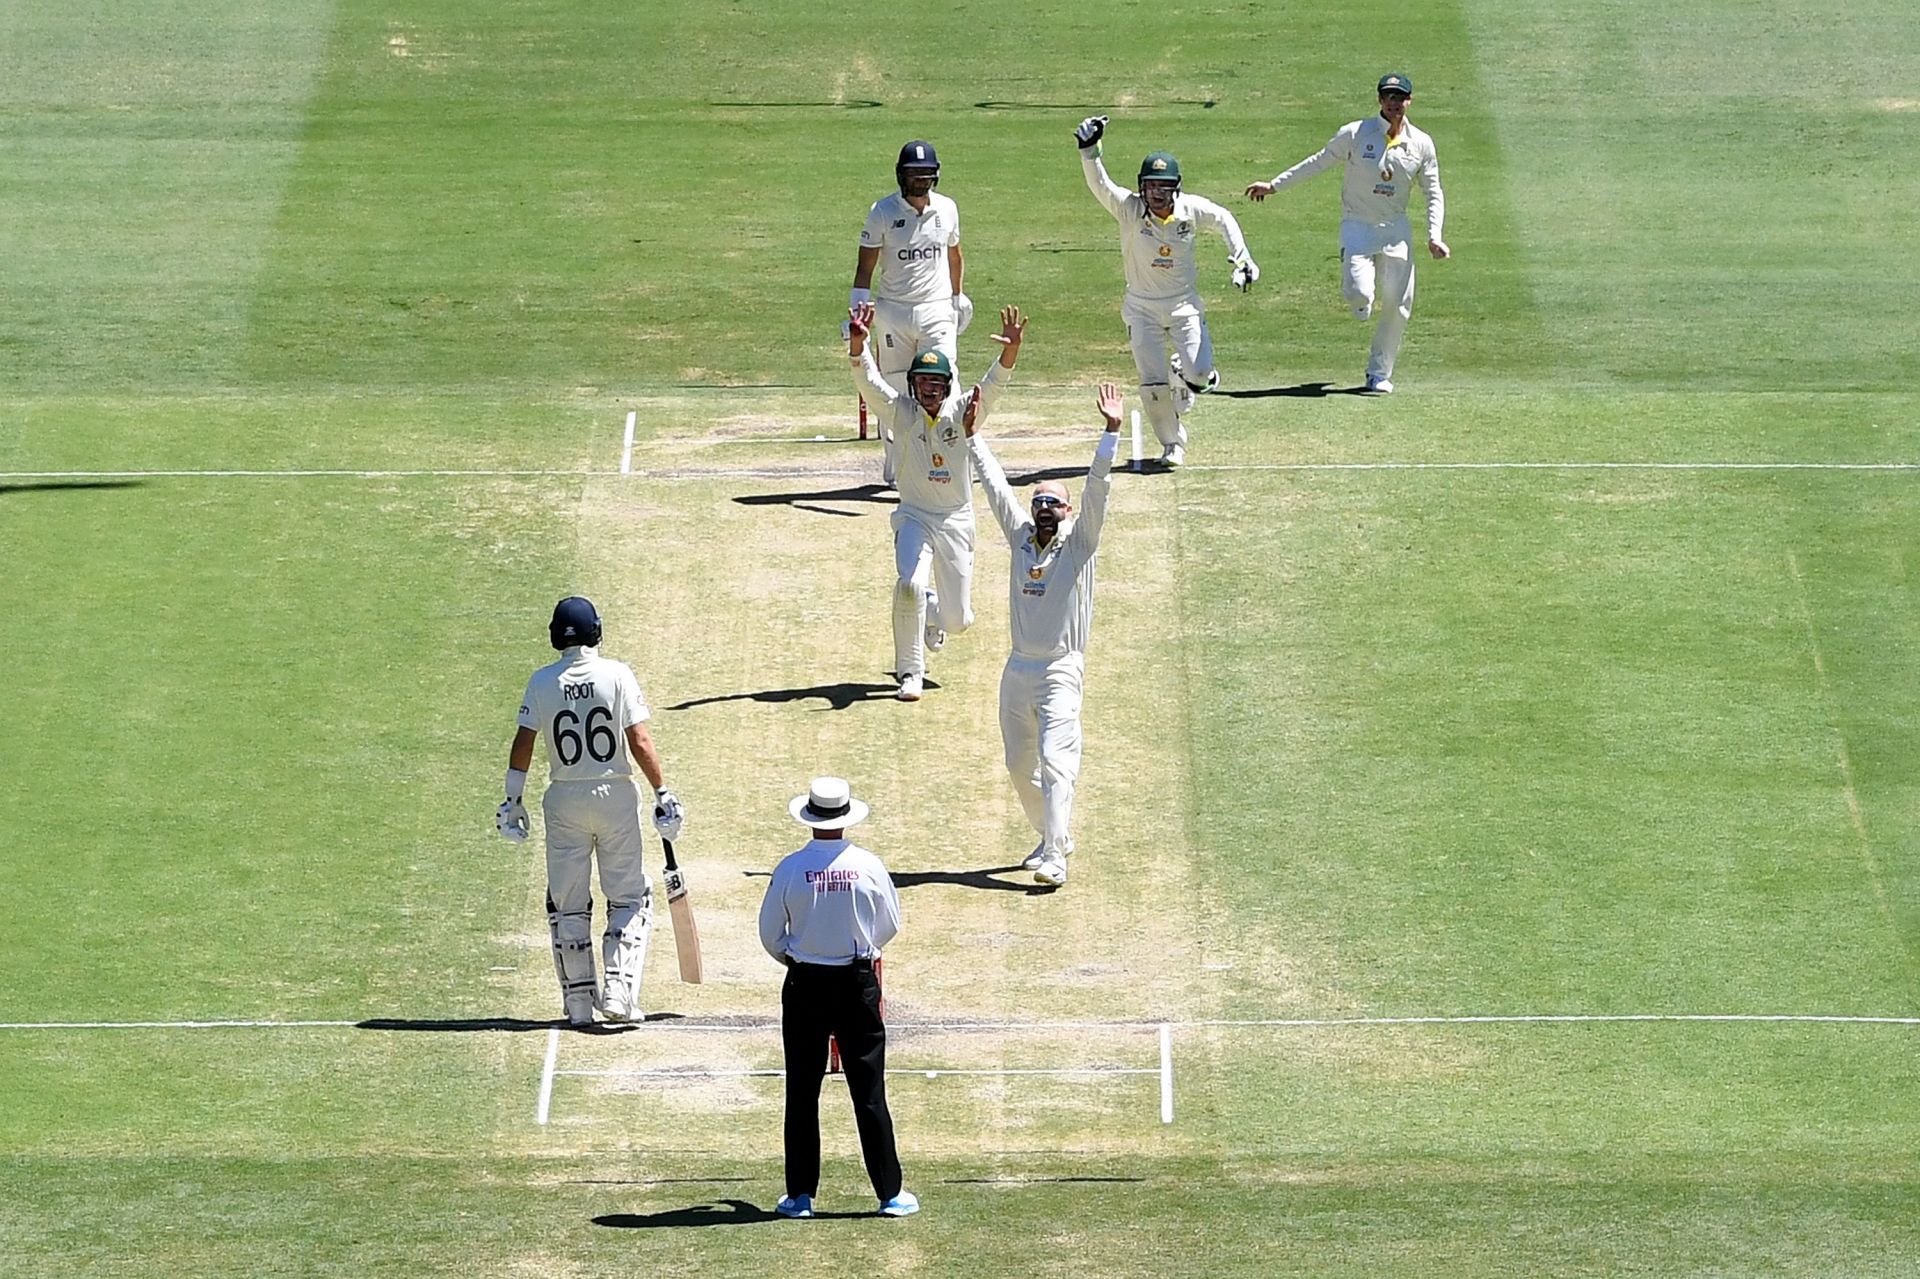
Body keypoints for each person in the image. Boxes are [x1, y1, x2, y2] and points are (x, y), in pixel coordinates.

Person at [496, 597, 685, 1026]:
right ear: (596, 631)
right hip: (615, 796)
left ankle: (579, 1005)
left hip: (563, 799)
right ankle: (619, 994)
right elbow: (638, 740)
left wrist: (513, 800)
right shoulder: (616, 674)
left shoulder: (541, 682)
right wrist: (662, 792)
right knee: (629, 897)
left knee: (567, 904)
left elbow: (523, 742)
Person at [967, 384, 1123, 887]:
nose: (1043, 508)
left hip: (1060, 668)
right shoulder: (1018, 539)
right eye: (1038, 501)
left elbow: (1097, 490)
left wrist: (1110, 434)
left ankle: (1056, 855)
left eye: (1053, 503)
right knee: (1018, 765)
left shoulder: (1079, 546)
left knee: (1057, 761)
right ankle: (1052, 832)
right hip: (1018, 668)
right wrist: (972, 438)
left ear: (1068, 512)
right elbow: (995, 489)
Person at [849, 299, 1027, 701]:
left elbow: (994, 387)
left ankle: (931, 610)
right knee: (908, 584)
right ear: (913, 385)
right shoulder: (902, 413)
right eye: (922, 383)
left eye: (936, 384)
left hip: (955, 521)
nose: (929, 390)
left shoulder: (965, 413)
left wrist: (1009, 351)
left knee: (958, 620)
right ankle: (909, 673)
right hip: (914, 516)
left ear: (947, 386)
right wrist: (858, 347)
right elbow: (870, 385)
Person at [759, 777, 917, 1219]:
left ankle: (800, 1196)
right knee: (869, 1091)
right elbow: (890, 924)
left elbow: (770, 934)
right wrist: (860, 948)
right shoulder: (868, 866)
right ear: (846, 819)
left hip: (806, 984)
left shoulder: (790, 868)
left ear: (809, 819)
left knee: (802, 1091)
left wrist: (798, 956)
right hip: (856, 983)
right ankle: (889, 1194)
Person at [1245, 72, 1450, 394]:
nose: (1394, 103)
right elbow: (1319, 162)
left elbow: (1433, 191)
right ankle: (1360, 296)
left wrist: (1434, 235)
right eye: (1389, 97)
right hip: (1358, 224)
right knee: (1359, 294)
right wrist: (1274, 185)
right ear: (1380, 100)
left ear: (1409, 101)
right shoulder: (1356, 133)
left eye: (1400, 97)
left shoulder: (1421, 143)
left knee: (1398, 305)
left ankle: (1378, 374)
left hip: (1396, 230)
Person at [1074, 115, 1257, 469]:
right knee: (1152, 384)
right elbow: (1100, 184)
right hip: (1140, 308)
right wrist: (1089, 149)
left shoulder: (1190, 210)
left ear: (1176, 187)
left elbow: (1224, 218)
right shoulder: (1130, 209)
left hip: (1184, 306)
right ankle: (1172, 444)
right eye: (1150, 186)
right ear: (1142, 187)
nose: (1156, 194)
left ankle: (1182, 375)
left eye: (1164, 186)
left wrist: (1242, 259)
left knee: (1202, 376)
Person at [851, 140, 970, 484]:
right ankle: (897, 461)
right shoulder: (883, 212)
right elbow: (865, 267)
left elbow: (955, 255)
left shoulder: (947, 208)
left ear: (935, 176)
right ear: (901, 175)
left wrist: (958, 297)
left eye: (925, 174)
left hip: (936, 310)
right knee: (896, 390)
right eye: (913, 174)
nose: (919, 180)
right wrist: (858, 310)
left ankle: (954, 457)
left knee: (947, 381)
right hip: (894, 313)